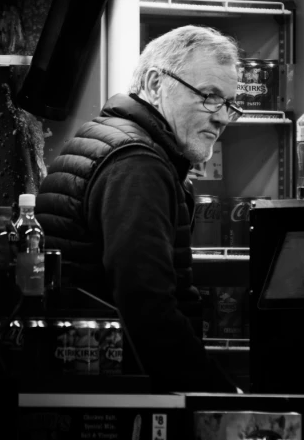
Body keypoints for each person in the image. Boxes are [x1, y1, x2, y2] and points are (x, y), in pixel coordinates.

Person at [35, 25, 243, 392]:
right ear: (154, 83)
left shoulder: (110, 142)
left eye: (228, 103)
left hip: (83, 374)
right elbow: (149, 311)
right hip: (115, 386)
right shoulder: (137, 164)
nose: (222, 117)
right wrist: (219, 397)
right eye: (209, 96)